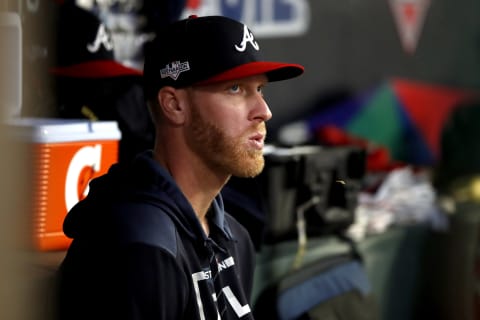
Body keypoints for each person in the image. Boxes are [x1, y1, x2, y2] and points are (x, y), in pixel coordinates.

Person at [56, 15, 304, 320]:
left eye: (261, 89)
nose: (263, 111)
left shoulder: (234, 238)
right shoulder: (140, 247)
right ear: (174, 105)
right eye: (236, 88)